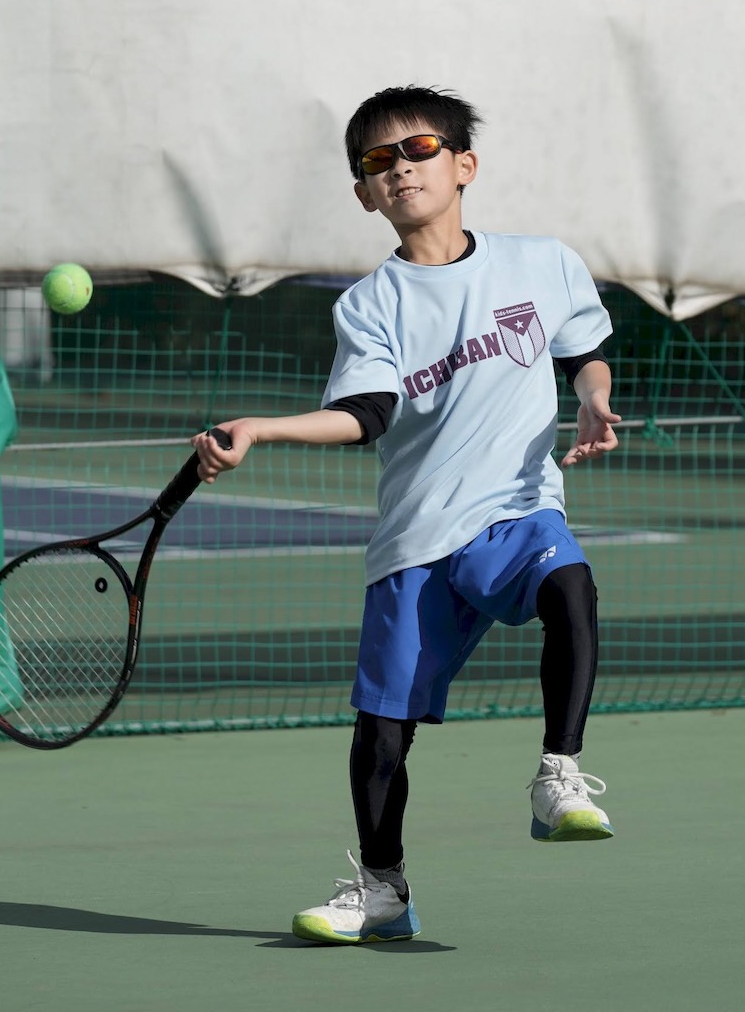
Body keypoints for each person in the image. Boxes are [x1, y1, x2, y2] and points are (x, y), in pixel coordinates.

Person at [193, 85, 621, 945]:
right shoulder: (369, 305)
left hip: (517, 508)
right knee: (383, 734)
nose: (400, 169)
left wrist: (592, 398)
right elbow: (367, 414)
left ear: (464, 165)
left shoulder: (542, 263)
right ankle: (383, 890)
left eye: (419, 149)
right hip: (418, 536)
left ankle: (559, 772)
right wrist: (263, 428)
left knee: (570, 585)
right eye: (377, 161)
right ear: (364, 193)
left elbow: (585, 350)